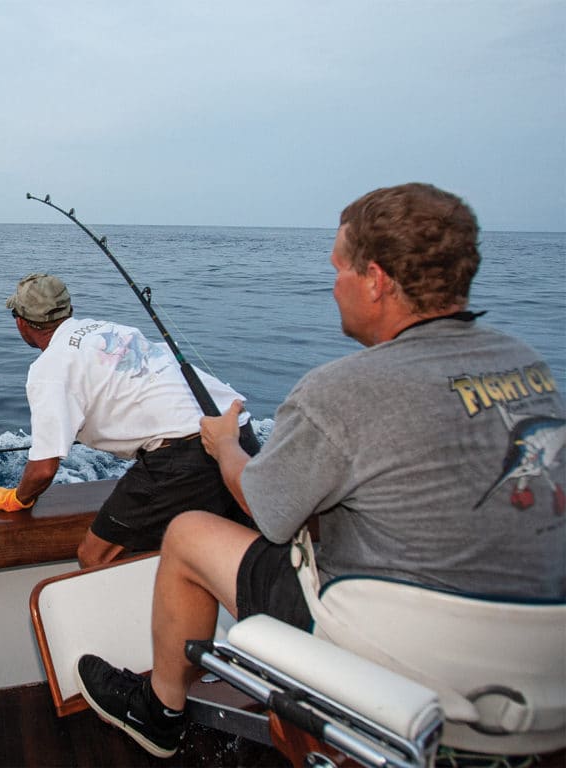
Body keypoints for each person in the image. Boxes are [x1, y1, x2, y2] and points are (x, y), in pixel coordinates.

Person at [74, 182, 566, 758]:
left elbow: (268, 511)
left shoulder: (338, 389)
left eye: (339, 269)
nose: (333, 286)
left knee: (187, 533)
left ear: (376, 280)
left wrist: (226, 447)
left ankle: (159, 712)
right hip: (537, 672)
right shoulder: (528, 366)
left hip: (406, 665)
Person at [0, 272, 261, 567]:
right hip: (235, 429)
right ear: (67, 311)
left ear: (21, 321)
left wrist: (20, 498)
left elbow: (45, 468)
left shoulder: (48, 370)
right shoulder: (110, 329)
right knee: (242, 552)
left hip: (185, 454)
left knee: (95, 554)